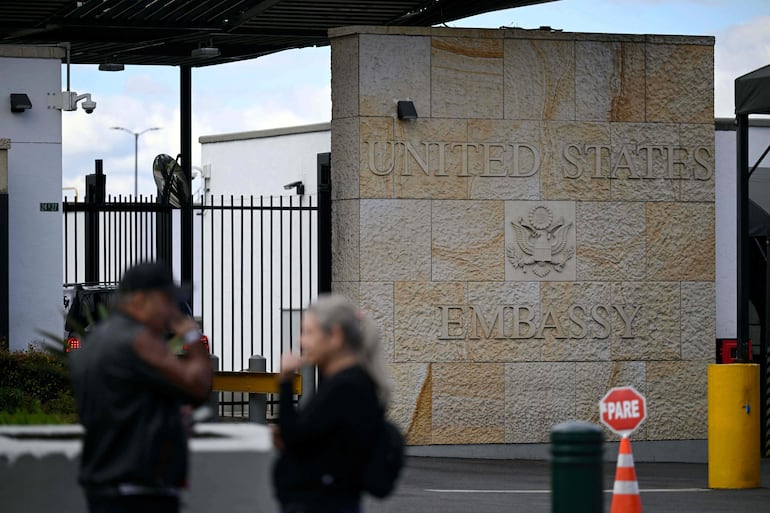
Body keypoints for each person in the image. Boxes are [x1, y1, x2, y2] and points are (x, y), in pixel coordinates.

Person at [69, 262, 213, 513]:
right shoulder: (139, 340)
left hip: (103, 485)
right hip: (138, 492)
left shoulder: (94, 342)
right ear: (140, 299)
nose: (172, 311)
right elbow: (199, 385)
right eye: (167, 301)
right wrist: (191, 336)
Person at [273, 294, 392, 513]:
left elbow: (294, 436)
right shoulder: (348, 382)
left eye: (308, 332)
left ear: (335, 335)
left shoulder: (345, 387)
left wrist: (285, 381)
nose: (301, 341)